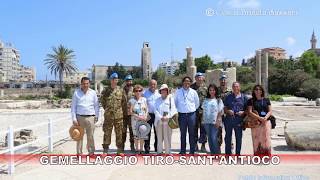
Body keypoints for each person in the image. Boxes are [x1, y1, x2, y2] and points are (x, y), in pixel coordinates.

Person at [71, 77, 99, 155]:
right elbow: (73, 107)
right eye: (84, 83)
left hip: (91, 117)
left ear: (89, 84)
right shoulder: (76, 93)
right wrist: (74, 118)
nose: (85, 85)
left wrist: (96, 116)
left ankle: (91, 152)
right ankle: (79, 153)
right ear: (81, 84)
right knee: (79, 137)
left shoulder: (93, 92)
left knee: (91, 136)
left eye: (87, 83)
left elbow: (96, 106)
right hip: (79, 117)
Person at [100, 73, 126, 154]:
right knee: (107, 133)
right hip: (108, 117)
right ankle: (105, 150)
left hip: (119, 117)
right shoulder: (105, 91)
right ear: (110, 80)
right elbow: (103, 102)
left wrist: (120, 111)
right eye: (113, 79)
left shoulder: (121, 90)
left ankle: (119, 150)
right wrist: (108, 110)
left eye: (116, 79)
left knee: (119, 133)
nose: (115, 80)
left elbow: (124, 103)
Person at [175, 76, 200, 155]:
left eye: (188, 81)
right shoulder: (178, 92)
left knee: (192, 133)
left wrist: (190, 110)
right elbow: (175, 103)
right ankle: (183, 151)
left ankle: (192, 151)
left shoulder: (193, 92)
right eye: (185, 81)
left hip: (191, 115)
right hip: (182, 115)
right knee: (183, 134)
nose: (187, 83)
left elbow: (197, 103)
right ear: (183, 82)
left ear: (190, 83)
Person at [224, 82, 248, 155]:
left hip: (239, 120)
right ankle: (228, 154)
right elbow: (224, 107)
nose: (235, 88)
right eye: (234, 86)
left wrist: (243, 112)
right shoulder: (228, 97)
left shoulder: (244, 97)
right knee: (228, 137)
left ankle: (238, 154)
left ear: (239, 87)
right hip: (229, 119)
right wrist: (228, 111)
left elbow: (248, 109)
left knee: (238, 137)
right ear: (232, 88)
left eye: (237, 86)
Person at [247, 85, 272, 156]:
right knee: (256, 139)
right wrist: (259, 118)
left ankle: (266, 156)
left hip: (266, 122)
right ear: (254, 91)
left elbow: (270, 111)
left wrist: (265, 118)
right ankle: (257, 156)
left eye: (259, 89)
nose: (258, 91)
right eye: (256, 89)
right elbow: (250, 112)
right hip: (256, 122)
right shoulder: (251, 101)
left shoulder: (266, 100)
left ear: (262, 91)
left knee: (266, 139)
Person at [154, 84, 177, 154]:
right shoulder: (157, 100)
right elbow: (155, 110)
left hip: (168, 121)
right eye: (162, 90)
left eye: (165, 90)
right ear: (160, 91)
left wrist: (167, 117)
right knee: (159, 138)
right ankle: (159, 152)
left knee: (167, 138)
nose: (164, 91)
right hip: (159, 121)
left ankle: (168, 152)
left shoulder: (171, 99)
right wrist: (160, 117)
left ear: (167, 91)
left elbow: (174, 110)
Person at [202, 84, 224, 155]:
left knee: (214, 138)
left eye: (213, 90)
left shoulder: (218, 100)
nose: (212, 91)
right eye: (210, 90)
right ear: (208, 91)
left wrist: (218, 120)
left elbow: (220, 111)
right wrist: (202, 120)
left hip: (215, 122)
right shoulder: (205, 100)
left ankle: (217, 153)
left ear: (216, 91)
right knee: (209, 138)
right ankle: (212, 153)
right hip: (206, 122)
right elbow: (203, 110)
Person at [129, 84, 149, 154]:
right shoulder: (132, 100)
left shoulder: (144, 99)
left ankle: (141, 149)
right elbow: (130, 112)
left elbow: (146, 109)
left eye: (140, 90)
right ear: (134, 92)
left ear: (142, 91)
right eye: (136, 91)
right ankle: (137, 149)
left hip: (143, 120)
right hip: (135, 120)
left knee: (142, 135)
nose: (138, 92)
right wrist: (138, 117)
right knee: (136, 135)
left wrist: (146, 116)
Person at [190, 72, 208, 152]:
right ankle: (195, 145)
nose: (199, 79)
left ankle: (203, 145)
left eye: (201, 77)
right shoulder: (191, 87)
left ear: (203, 78)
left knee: (204, 129)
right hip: (194, 111)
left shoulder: (206, 88)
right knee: (194, 128)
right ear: (195, 78)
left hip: (204, 112)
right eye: (198, 77)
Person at [143, 79, 160, 153]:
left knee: (157, 132)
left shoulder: (159, 93)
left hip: (156, 115)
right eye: (151, 84)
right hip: (148, 115)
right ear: (149, 85)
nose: (153, 86)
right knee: (147, 132)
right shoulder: (145, 93)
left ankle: (157, 147)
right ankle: (147, 148)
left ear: (156, 85)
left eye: (154, 84)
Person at [218, 74, 231, 151]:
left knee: (228, 131)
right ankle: (218, 146)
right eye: (222, 80)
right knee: (218, 131)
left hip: (227, 114)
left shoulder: (230, 91)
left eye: (224, 80)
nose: (223, 81)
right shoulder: (216, 90)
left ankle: (229, 146)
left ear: (226, 81)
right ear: (219, 81)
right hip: (219, 114)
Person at [122, 74, 135, 152]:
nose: (129, 82)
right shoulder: (121, 90)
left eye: (130, 81)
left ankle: (132, 146)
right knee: (122, 132)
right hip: (123, 114)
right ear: (125, 81)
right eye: (127, 81)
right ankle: (122, 146)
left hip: (132, 115)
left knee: (132, 131)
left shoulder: (135, 90)